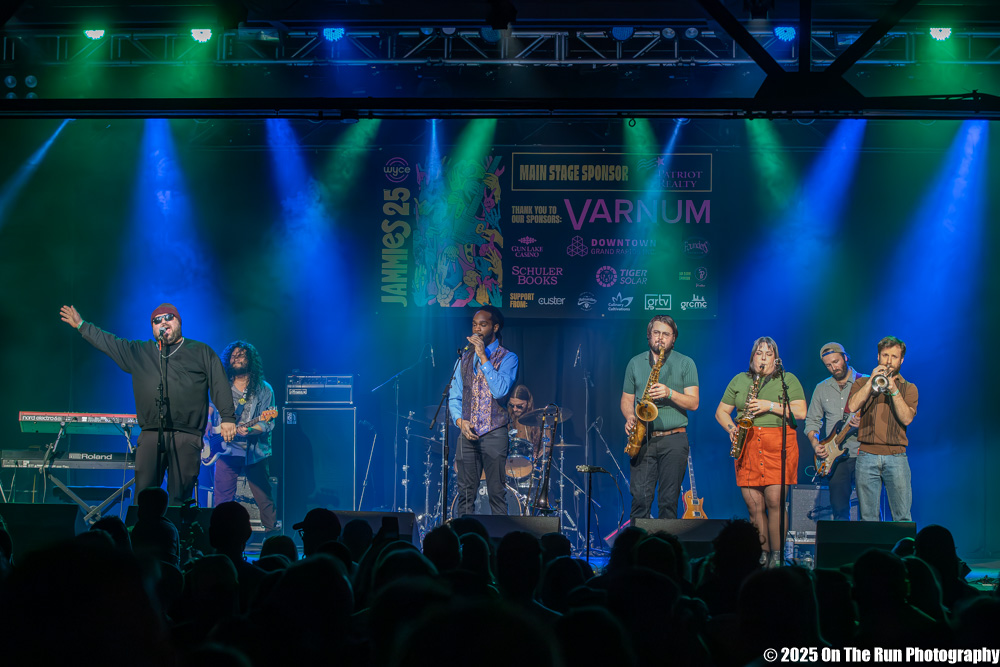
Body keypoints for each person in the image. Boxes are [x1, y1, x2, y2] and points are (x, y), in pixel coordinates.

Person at [59, 303, 235, 504]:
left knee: (180, 498)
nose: (163, 322)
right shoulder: (140, 351)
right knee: (144, 496)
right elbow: (110, 343)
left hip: (186, 435)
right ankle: (140, 525)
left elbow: (219, 382)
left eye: (169, 317)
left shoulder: (201, 351)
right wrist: (82, 325)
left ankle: (176, 525)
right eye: (157, 320)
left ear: (179, 322)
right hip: (151, 434)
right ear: (152, 327)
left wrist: (228, 417)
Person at [715, 337, 806, 566]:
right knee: (753, 504)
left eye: (768, 353)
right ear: (752, 357)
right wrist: (732, 429)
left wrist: (769, 406)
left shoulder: (787, 379)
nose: (763, 358)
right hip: (747, 444)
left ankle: (778, 556)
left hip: (778, 444)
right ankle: (762, 555)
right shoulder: (740, 379)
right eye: (759, 353)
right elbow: (721, 412)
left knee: (775, 501)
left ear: (776, 358)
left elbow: (801, 412)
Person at [621, 315, 699, 520]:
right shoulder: (635, 363)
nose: (660, 338)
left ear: (673, 338)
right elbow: (626, 399)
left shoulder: (686, 363)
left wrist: (669, 393)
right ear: (649, 335)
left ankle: (666, 541)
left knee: (668, 502)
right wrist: (629, 416)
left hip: (674, 439)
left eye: (666, 334)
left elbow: (694, 403)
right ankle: (637, 541)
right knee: (640, 500)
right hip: (643, 437)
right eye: (656, 333)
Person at [449, 306, 519, 516]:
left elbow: (500, 391)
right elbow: (454, 395)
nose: (477, 329)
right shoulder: (464, 358)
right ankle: (464, 535)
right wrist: (460, 421)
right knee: (465, 494)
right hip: (467, 433)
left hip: (494, 432)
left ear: (495, 327)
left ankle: (501, 536)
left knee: (496, 493)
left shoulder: (508, 358)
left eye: (483, 324)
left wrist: (483, 357)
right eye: (474, 325)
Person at [207, 340, 278, 532]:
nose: (236, 358)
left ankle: (272, 537)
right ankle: (222, 536)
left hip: (254, 453)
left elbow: (268, 422)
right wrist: (207, 422)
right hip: (224, 451)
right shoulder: (220, 386)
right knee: (222, 500)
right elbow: (210, 408)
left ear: (250, 360)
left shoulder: (264, 389)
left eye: (241, 355)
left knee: (264, 498)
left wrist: (251, 430)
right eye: (233, 355)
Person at [847, 336, 918, 522]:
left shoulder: (909, 388)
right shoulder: (861, 383)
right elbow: (852, 406)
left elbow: (907, 418)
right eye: (885, 355)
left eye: (894, 357)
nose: (888, 361)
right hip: (866, 455)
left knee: (902, 518)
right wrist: (871, 381)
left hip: (897, 456)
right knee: (868, 518)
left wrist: (893, 389)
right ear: (878, 357)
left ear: (901, 360)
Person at [805, 342, 861, 521]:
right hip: (835, 458)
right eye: (828, 365)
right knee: (839, 511)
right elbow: (812, 422)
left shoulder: (865, 382)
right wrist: (816, 445)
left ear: (845, 357)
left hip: (864, 453)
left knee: (869, 512)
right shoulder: (822, 388)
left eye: (836, 362)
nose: (833, 368)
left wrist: (865, 423)